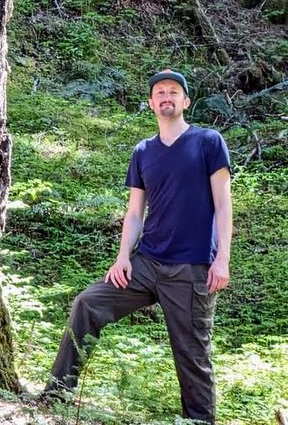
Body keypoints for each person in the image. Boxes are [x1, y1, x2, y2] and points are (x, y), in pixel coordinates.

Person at [44, 68, 232, 424]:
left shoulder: (208, 142)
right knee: (88, 304)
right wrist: (123, 258)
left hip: (192, 270)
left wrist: (222, 259)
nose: (166, 97)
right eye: (160, 92)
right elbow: (134, 213)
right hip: (147, 263)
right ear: (150, 103)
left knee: (193, 358)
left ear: (185, 101)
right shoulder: (143, 151)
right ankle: (56, 395)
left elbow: (223, 204)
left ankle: (199, 422)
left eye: (174, 92)